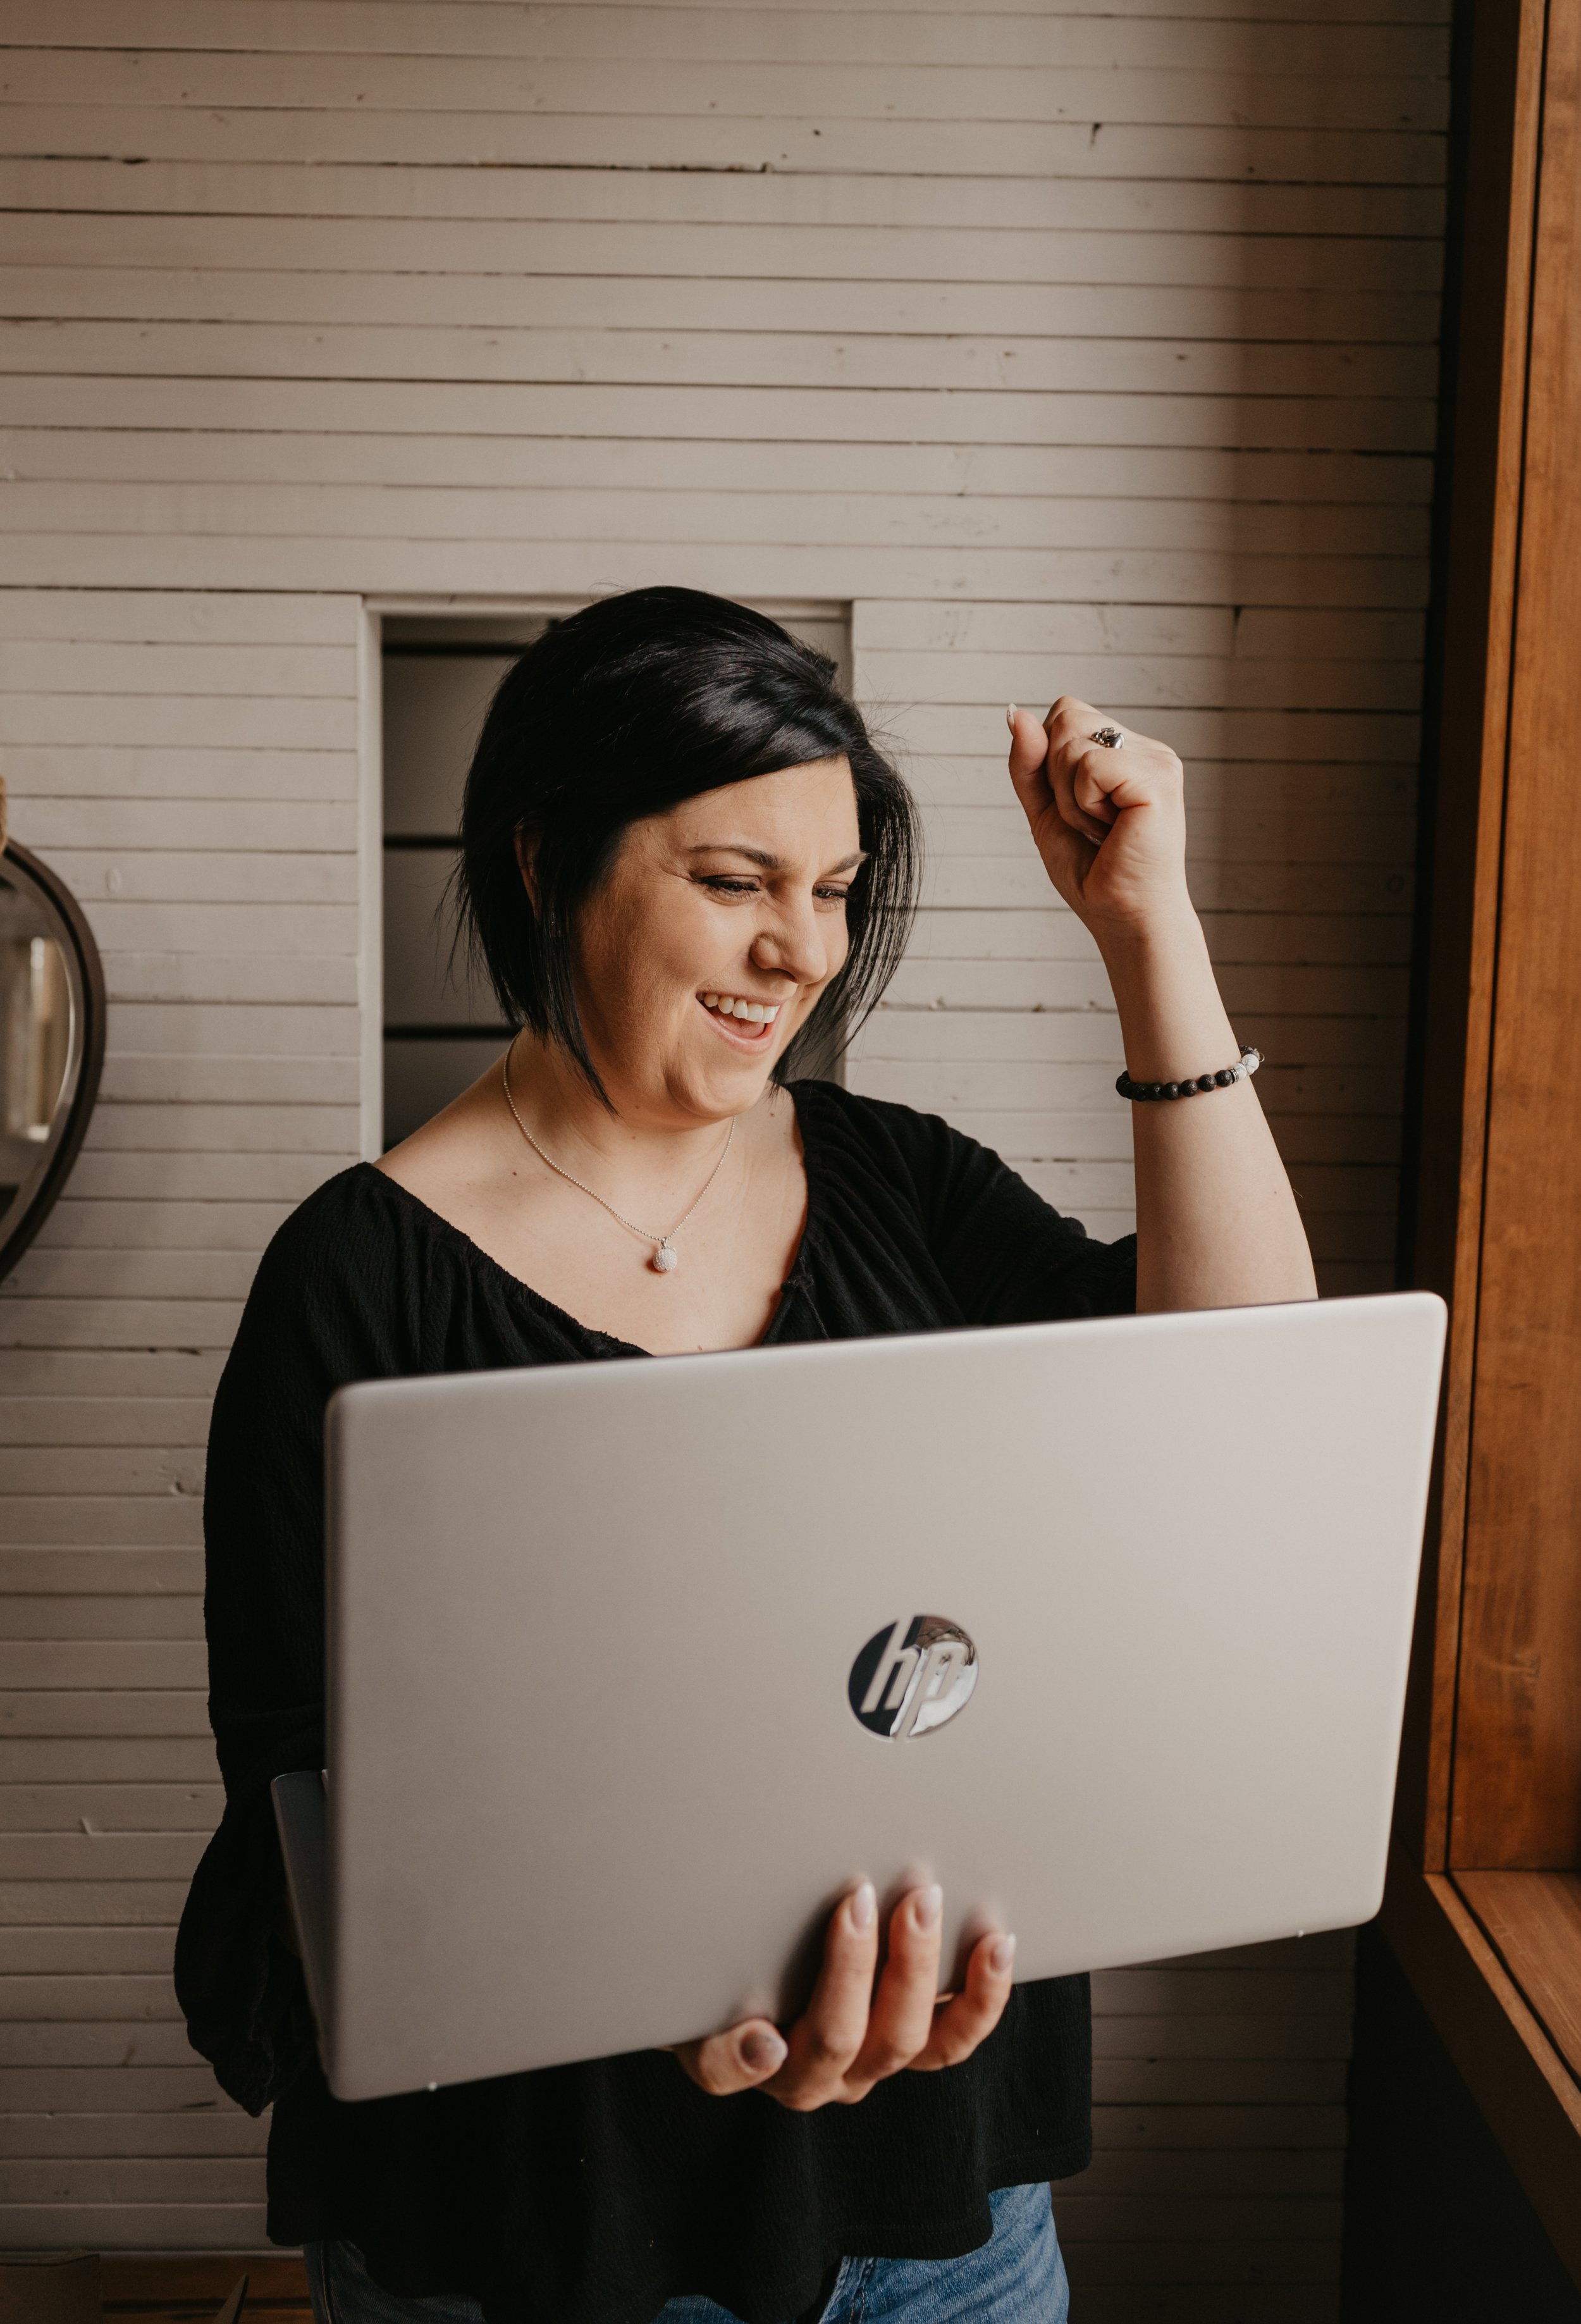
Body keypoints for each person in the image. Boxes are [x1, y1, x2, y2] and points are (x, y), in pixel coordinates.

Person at [176, 588, 1315, 2324]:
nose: (802, 950)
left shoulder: (903, 1183)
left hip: (946, 2229)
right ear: (544, 861)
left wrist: (1149, 927)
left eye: (836, 891)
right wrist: (635, 1998)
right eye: (734, 881)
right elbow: (307, 1829)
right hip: (535, 2245)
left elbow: (1243, 1401)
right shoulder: (352, 1278)